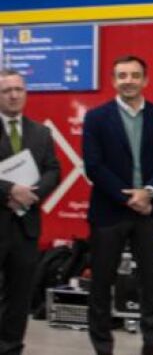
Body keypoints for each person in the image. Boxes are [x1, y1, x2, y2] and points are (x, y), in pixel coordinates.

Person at [83, 56, 153, 355]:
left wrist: (148, 192)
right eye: (122, 75)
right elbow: (94, 166)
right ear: (113, 81)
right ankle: (103, 347)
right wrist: (129, 198)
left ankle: (152, 344)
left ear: (145, 80)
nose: (129, 81)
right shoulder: (96, 118)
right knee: (101, 283)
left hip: (150, 210)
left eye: (135, 75)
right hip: (109, 212)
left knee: (151, 281)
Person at [0, 70, 61, 355]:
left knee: (19, 296)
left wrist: (32, 194)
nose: (13, 96)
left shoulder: (41, 133)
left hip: (26, 228)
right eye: (6, 91)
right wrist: (10, 190)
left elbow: (53, 170)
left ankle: (11, 349)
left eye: (18, 90)